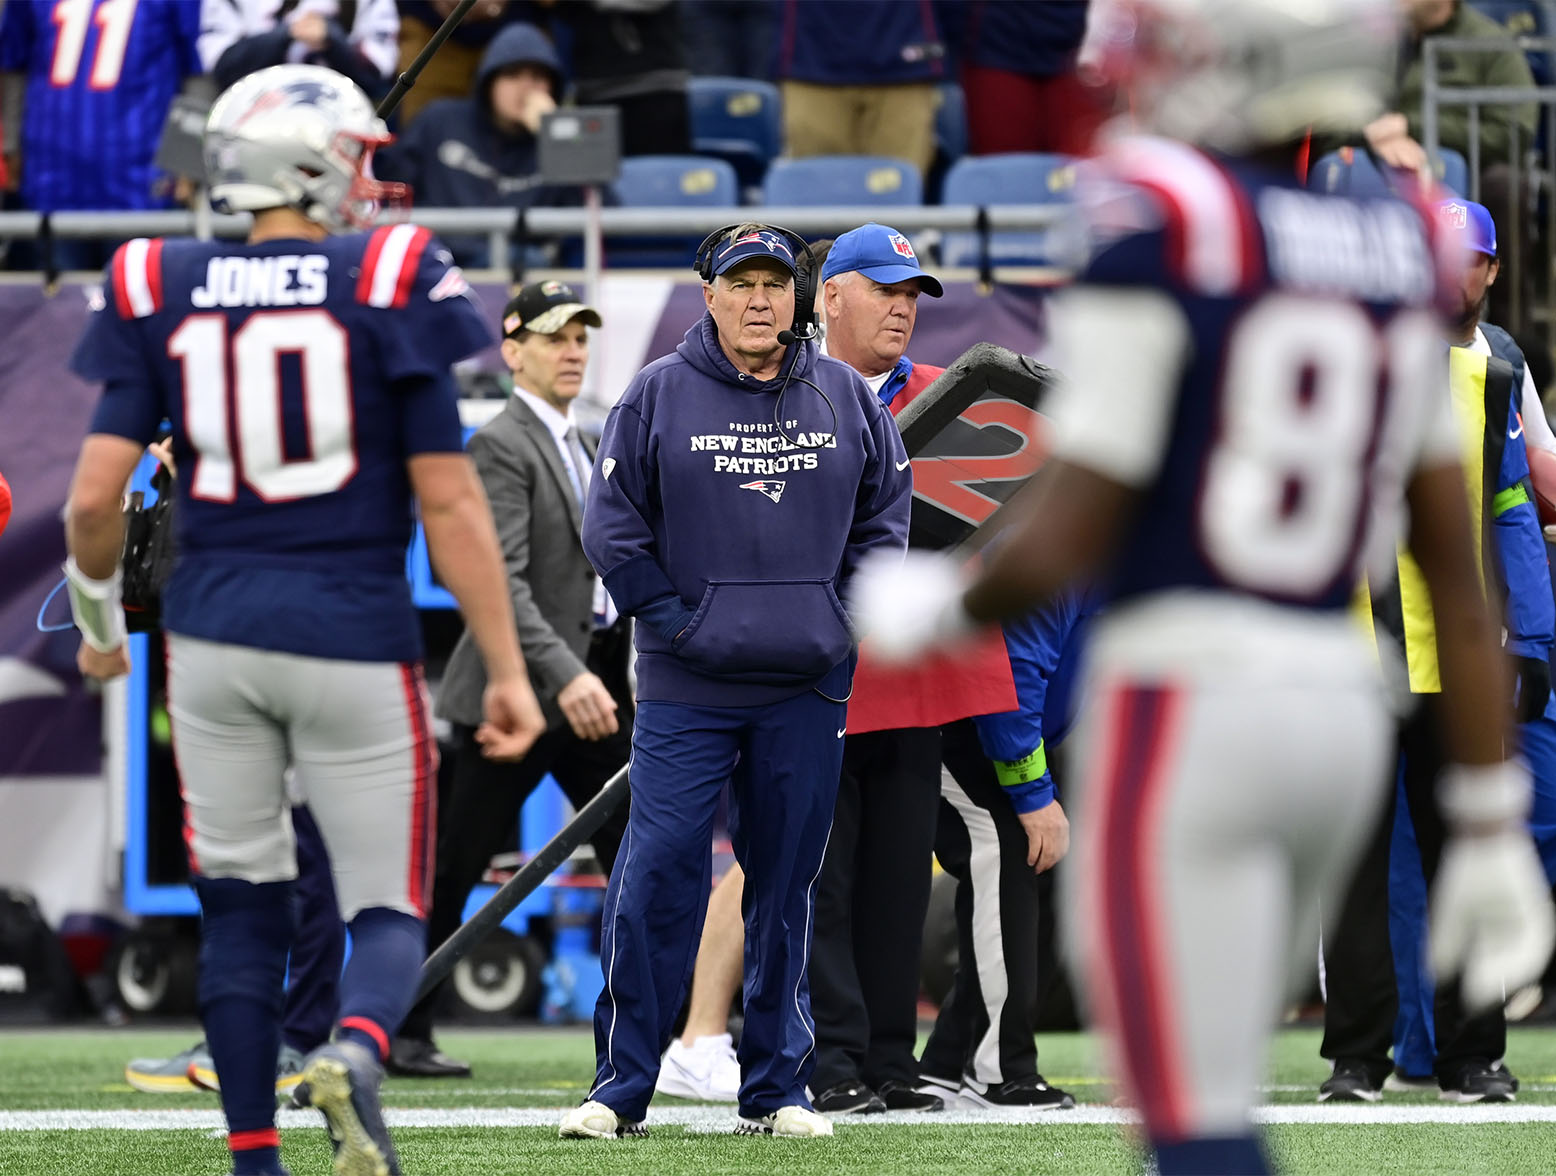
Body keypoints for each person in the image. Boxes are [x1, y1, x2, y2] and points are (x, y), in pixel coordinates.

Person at [848, 3, 1556, 1173]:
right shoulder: (1400, 252)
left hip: (1188, 698)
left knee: (1191, 1119)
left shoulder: (1166, 217)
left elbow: (1083, 502)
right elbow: (1456, 563)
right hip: (1338, 701)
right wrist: (1485, 816)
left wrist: (935, 605)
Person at [62, 64, 545, 1176]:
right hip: (349, 631)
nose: (371, 181)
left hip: (211, 641)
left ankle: (252, 1159)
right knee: (386, 906)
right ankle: (360, 1051)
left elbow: (92, 502)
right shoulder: (388, 273)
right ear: (309, 162)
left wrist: (98, 623)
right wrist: (506, 668)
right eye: (358, 157)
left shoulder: (156, 276)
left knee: (241, 915)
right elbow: (450, 499)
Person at [559, 222, 912, 1140]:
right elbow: (611, 526)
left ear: (800, 297)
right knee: (656, 876)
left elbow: (887, 515)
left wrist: (846, 621)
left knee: (787, 886)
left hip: (807, 684)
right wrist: (677, 624)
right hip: (687, 687)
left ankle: (777, 1088)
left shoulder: (845, 395)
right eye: (740, 283)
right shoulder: (655, 395)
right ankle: (621, 1085)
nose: (760, 300)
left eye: (775, 283)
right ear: (707, 294)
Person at [1323, 198, 1554, 1102]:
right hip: (1353, 656)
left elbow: (1508, 505)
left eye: (1470, 258)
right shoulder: (1359, 355)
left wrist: (1529, 638)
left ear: (1492, 271)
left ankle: (1473, 1054)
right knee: (1353, 867)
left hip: (1455, 654)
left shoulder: (1499, 365)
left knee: (1469, 856)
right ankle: (1356, 1057)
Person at [392, 280, 634, 1079]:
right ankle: (399, 1027)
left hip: (590, 679)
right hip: (524, 688)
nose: (572, 350)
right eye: (555, 336)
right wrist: (565, 676)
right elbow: (502, 581)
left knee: (640, 853)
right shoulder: (501, 441)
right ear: (513, 348)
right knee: (458, 864)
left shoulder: (583, 439)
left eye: (580, 336)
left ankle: (658, 1029)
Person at [806, 222, 1009, 1116]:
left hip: (917, 680)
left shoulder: (951, 398)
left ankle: (890, 1059)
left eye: (912, 293)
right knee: (821, 881)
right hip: (809, 678)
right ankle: (829, 1059)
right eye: (884, 289)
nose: (901, 307)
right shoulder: (781, 389)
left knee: (895, 884)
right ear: (831, 295)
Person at [0, 0, 202, 269]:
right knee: (59, 302)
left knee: (136, 293)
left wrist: (189, 162)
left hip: (142, 178)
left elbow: (198, 69)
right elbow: (14, 62)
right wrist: (12, 147)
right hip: (53, 175)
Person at [374, 23, 568, 268]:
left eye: (538, 77)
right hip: (434, 260)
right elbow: (388, 186)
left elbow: (599, 213)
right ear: (489, 81)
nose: (526, 88)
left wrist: (557, 138)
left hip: (517, 272)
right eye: (513, 75)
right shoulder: (439, 120)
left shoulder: (559, 142)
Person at [772, 0, 946, 178]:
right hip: (811, 66)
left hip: (906, 67)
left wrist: (936, 51)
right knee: (820, 192)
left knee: (897, 194)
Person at [199, 0, 400, 97]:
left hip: (341, 122)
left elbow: (378, 77)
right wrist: (285, 34)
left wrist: (334, 42)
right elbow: (224, 68)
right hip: (255, 118)